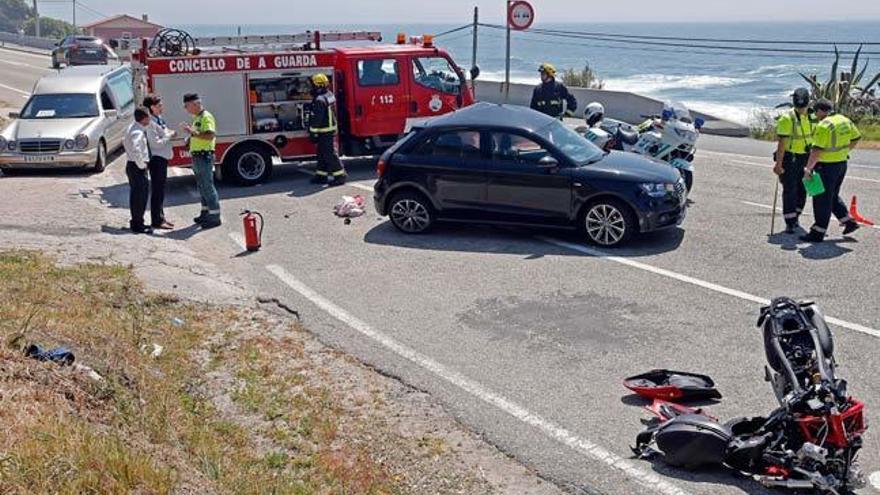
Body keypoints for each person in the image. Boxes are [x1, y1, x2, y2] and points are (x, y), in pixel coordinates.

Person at [800, 98, 861, 243]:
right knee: (832, 195)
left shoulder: (824, 125)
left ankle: (818, 232)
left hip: (826, 166)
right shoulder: (844, 120)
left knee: (821, 199)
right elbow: (856, 137)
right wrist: (845, 151)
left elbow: (816, 151)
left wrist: (808, 169)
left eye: (816, 112)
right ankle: (848, 221)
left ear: (821, 111)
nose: (816, 115)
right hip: (841, 163)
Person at [774, 88, 813, 234]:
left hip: (805, 157)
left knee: (801, 189)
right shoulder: (789, 118)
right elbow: (782, 144)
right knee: (791, 190)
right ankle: (791, 221)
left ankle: (795, 217)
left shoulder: (811, 117)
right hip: (791, 158)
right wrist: (779, 164)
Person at [180, 93, 221, 229]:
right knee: (202, 186)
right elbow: (198, 135)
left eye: (187, 106)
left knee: (207, 186)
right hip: (198, 155)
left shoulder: (206, 117)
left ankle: (215, 216)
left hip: (204, 156)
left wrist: (193, 132)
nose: (186, 109)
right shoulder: (197, 117)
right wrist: (189, 140)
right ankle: (205, 213)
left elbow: (210, 135)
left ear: (195, 104)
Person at [143, 94, 176, 230]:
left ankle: (161, 218)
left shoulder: (158, 119)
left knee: (161, 190)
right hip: (156, 158)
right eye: (159, 105)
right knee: (157, 190)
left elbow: (163, 132)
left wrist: (169, 132)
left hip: (162, 157)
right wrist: (169, 135)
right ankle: (156, 220)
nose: (161, 107)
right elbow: (155, 143)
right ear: (152, 107)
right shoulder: (151, 123)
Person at [308, 73, 346, 186]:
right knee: (322, 153)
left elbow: (317, 118)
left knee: (329, 154)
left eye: (313, 85)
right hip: (328, 129)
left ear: (318, 86)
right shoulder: (329, 94)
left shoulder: (319, 100)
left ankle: (340, 176)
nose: (311, 88)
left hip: (324, 130)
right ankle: (321, 175)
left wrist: (313, 133)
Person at [123, 108, 153, 234]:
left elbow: (124, 141)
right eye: (149, 117)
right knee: (140, 197)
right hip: (137, 167)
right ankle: (138, 225)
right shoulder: (138, 132)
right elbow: (136, 149)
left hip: (131, 165)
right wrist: (142, 165)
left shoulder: (132, 127)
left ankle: (136, 222)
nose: (150, 119)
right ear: (144, 118)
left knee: (136, 196)